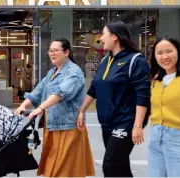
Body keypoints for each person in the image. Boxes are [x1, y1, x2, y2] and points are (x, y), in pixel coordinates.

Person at [77, 20, 151, 177]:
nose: (101, 38)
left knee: (110, 165)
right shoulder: (105, 60)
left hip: (126, 122)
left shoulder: (135, 61)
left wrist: (137, 125)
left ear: (115, 37)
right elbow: (94, 88)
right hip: (107, 122)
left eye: (104, 34)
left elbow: (143, 95)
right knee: (120, 167)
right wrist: (82, 111)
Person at [15, 37, 95, 177]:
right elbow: (37, 92)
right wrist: (22, 105)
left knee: (65, 169)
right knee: (52, 166)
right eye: (50, 51)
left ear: (66, 52)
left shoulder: (73, 72)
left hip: (68, 127)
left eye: (56, 50)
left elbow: (59, 94)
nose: (52, 53)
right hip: (52, 125)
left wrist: (40, 109)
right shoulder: (52, 73)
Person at [148, 35, 180, 177]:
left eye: (169, 51)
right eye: (159, 53)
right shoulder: (156, 81)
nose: (165, 57)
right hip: (156, 135)